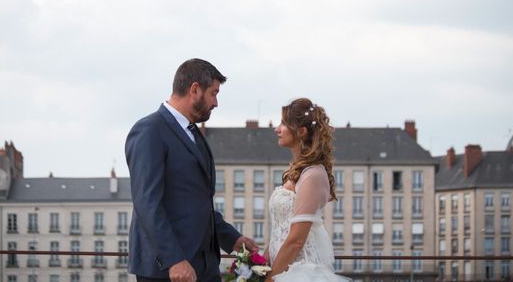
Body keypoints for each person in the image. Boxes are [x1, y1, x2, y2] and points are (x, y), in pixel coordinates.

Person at [125, 58, 258, 282]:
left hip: (204, 266)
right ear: (195, 90)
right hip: (169, 271)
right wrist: (173, 259)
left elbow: (198, 202)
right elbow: (147, 204)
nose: (216, 102)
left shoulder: (195, 134)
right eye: (214, 93)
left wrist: (231, 238)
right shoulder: (149, 131)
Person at [265, 98, 351, 282]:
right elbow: (280, 230)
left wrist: (270, 278)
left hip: (299, 271)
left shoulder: (312, 175)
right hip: (281, 268)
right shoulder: (295, 172)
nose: (277, 129)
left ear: (301, 132)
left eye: (283, 124)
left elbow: (296, 239)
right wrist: (261, 265)